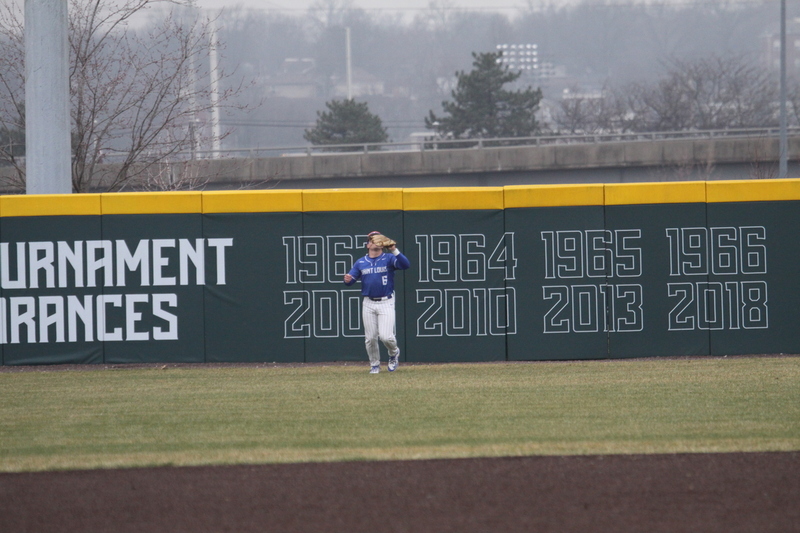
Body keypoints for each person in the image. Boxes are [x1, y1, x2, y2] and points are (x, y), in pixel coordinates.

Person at [344, 231, 411, 373]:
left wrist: (394, 249)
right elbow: (350, 281)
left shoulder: (388, 258)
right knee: (370, 338)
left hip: (386, 301)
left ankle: (393, 353)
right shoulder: (361, 262)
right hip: (368, 302)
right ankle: (374, 364)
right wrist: (348, 280)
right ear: (367, 244)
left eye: (377, 239)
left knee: (386, 337)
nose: (375, 242)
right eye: (372, 240)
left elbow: (405, 265)